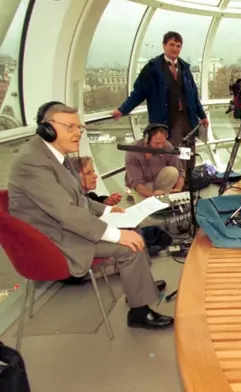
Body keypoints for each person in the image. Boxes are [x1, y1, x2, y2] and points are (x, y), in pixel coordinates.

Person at [8, 101, 174, 329]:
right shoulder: (32, 163)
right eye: (70, 127)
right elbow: (66, 212)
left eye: (79, 127)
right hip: (53, 239)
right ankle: (138, 313)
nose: (77, 133)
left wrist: (107, 210)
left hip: (63, 225)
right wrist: (117, 235)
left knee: (132, 228)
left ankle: (139, 287)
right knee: (129, 247)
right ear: (47, 128)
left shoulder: (54, 153)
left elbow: (76, 198)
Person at [112, 31, 209, 147]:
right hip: (166, 121)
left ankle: (188, 166)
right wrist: (122, 110)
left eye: (178, 46)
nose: (175, 49)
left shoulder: (185, 69)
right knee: (171, 153)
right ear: (164, 45)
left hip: (188, 120)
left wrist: (202, 116)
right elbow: (138, 93)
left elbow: (193, 96)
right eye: (172, 45)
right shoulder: (152, 69)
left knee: (188, 153)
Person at [125, 123, 185, 203]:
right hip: (141, 186)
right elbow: (137, 184)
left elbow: (180, 171)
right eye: (157, 143)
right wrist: (153, 194)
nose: (160, 146)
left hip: (158, 180)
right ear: (146, 139)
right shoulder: (133, 153)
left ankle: (161, 200)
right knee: (146, 212)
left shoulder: (167, 146)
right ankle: (155, 200)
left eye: (162, 142)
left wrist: (178, 190)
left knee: (172, 171)